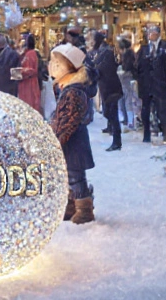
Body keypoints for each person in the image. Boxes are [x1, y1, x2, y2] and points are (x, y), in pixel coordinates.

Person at [49, 44, 94, 224]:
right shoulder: (65, 89)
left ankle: (84, 208)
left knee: (76, 175)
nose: (52, 66)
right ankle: (72, 204)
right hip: (70, 141)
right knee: (68, 175)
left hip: (73, 142)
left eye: (57, 63)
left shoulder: (73, 91)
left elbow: (68, 121)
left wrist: (56, 139)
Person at [136, 25, 166, 144]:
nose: (151, 34)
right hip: (146, 85)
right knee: (145, 110)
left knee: (163, 111)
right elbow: (138, 66)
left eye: (153, 32)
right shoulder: (143, 49)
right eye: (149, 33)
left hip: (161, 85)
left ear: (158, 34)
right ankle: (147, 134)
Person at [92, 31, 122, 152]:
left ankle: (117, 141)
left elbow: (105, 68)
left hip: (111, 87)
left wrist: (95, 72)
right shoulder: (101, 51)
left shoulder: (106, 52)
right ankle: (115, 137)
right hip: (106, 87)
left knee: (113, 114)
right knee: (108, 113)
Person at [118, 33, 140, 131]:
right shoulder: (131, 53)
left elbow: (127, 67)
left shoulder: (127, 55)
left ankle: (130, 121)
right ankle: (129, 120)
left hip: (127, 79)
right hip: (130, 79)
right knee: (128, 99)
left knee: (128, 100)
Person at [16, 33, 42, 114]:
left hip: (29, 84)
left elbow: (31, 70)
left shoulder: (30, 54)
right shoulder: (28, 53)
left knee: (29, 105)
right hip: (27, 83)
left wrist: (19, 72)